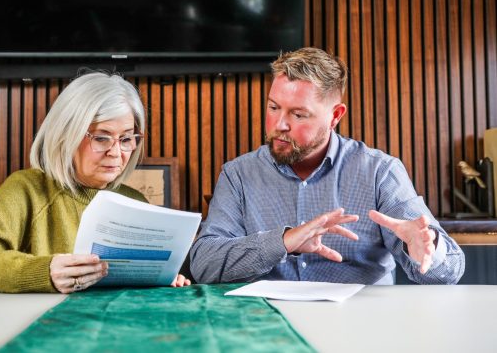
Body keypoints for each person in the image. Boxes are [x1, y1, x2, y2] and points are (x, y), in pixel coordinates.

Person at [190, 47, 465, 285]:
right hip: (267, 328)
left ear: (335, 116)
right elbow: (204, 265)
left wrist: (426, 249)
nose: (280, 125)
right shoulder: (238, 175)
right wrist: (284, 241)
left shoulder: (379, 172)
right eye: (273, 108)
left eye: (298, 114)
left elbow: (449, 272)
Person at [0, 71, 190, 293]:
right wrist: (43, 271)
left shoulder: (134, 200)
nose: (116, 152)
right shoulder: (27, 189)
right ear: (66, 136)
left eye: (126, 139)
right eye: (102, 138)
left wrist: (161, 280)